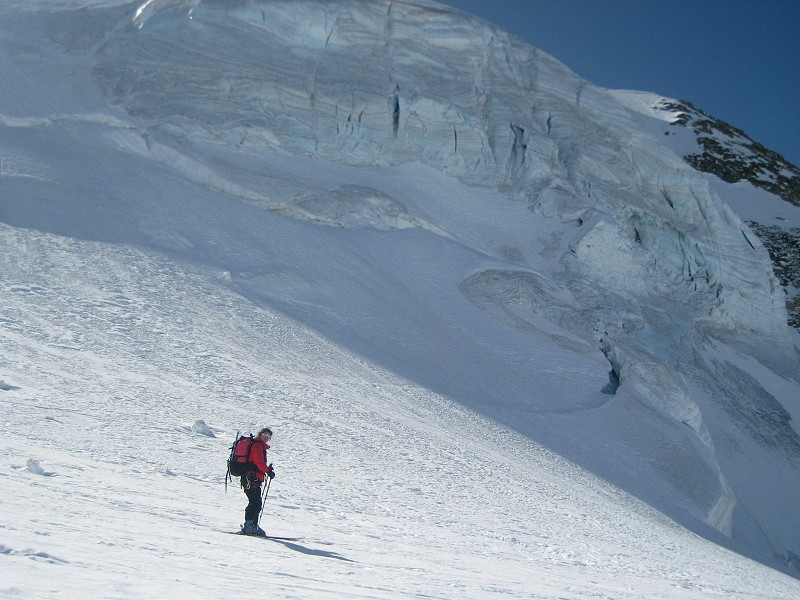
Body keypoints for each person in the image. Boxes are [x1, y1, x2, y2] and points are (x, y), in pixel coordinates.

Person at [240, 427, 276, 536]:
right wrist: (267, 470)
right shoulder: (257, 445)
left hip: (252, 478)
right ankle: (249, 526)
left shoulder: (259, 445)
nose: (267, 438)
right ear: (260, 434)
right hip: (251, 478)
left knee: (256, 502)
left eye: (269, 437)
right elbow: (259, 462)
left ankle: (253, 525)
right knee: (255, 502)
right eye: (265, 435)